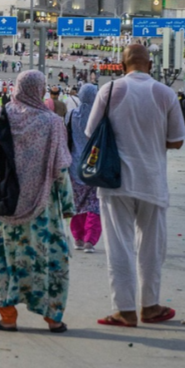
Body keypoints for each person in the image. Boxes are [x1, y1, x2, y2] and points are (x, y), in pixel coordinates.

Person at [86, 44, 185, 327]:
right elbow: (177, 140)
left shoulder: (109, 90)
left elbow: (92, 132)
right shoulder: (165, 93)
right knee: (152, 247)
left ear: (121, 66)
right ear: (150, 66)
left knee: (119, 246)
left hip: (115, 182)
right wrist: (153, 139)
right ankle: (150, 306)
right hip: (152, 181)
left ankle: (125, 310)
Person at [0, 70, 73, 333]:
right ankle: (53, 317)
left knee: (5, 259)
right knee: (49, 259)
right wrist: (67, 205)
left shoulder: (3, 114)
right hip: (43, 207)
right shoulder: (53, 123)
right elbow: (61, 169)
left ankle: (8, 317)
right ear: (40, 90)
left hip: (7, 203)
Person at [66, 83, 101, 252]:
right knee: (94, 204)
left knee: (77, 203)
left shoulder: (71, 115)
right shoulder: (101, 116)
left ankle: (78, 238)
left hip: (74, 165)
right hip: (95, 165)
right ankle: (90, 240)